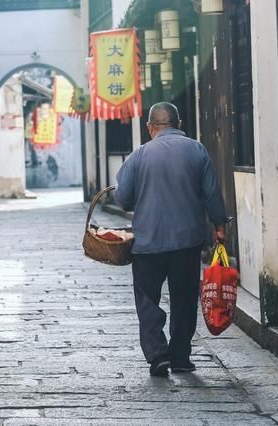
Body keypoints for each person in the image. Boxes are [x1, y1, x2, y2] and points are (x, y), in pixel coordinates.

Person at [114, 102, 228, 377]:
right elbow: (211, 192)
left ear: (150, 127)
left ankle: (156, 354)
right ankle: (180, 357)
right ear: (179, 123)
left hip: (147, 242)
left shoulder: (139, 155)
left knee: (147, 298)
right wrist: (219, 226)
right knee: (184, 298)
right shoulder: (197, 149)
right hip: (186, 241)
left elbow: (122, 197)